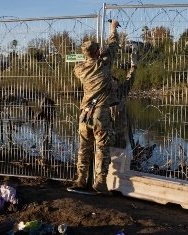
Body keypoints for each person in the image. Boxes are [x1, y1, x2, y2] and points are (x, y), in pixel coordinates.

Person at [70, 19, 120, 193]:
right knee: (102, 147)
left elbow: (86, 61)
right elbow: (113, 46)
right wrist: (112, 28)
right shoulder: (103, 64)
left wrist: (97, 53)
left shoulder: (79, 69)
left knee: (83, 147)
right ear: (97, 52)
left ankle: (80, 179)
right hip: (100, 113)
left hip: (84, 114)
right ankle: (100, 182)